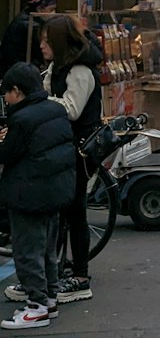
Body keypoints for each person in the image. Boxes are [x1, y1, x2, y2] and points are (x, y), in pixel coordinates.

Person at [0, 63, 76, 330]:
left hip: (28, 194)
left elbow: (7, 154)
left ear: (17, 91)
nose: (5, 100)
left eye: (6, 94)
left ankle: (37, 306)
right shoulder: (56, 110)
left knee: (27, 251)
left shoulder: (21, 119)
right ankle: (50, 298)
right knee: (47, 250)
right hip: (54, 191)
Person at [39, 15, 103, 305]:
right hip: (64, 146)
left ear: (60, 42)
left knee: (76, 212)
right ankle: (55, 271)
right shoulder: (59, 66)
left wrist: (38, 101)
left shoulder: (80, 70)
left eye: (46, 40)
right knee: (63, 210)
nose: (42, 45)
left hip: (80, 149)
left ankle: (80, 277)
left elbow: (72, 109)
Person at [0, 0, 57, 73]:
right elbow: (40, 52)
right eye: (51, 9)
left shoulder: (25, 18)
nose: (53, 13)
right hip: (18, 70)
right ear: (39, 9)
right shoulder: (31, 26)